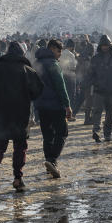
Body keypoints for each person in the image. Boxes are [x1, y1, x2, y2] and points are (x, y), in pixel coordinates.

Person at [0, 42, 44, 194]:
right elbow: (38, 91)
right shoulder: (27, 70)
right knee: (20, 146)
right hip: (20, 114)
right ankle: (17, 178)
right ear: (22, 54)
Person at [34, 39, 73, 178]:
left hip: (41, 106)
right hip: (56, 105)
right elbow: (60, 86)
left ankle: (49, 164)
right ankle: (52, 160)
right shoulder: (53, 64)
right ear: (51, 49)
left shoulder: (36, 63)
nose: (60, 55)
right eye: (58, 51)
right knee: (62, 132)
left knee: (47, 135)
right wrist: (67, 105)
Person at [88, 34, 112, 143]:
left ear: (110, 45)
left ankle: (107, 133)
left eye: (106, 45)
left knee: (110, 113)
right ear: (100, 46)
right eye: (103, 45)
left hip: (111, 90)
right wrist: (90, 84)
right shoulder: (95, 58)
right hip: (99, 89)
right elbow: (91, 73)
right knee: (97, 111)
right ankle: (96, 131)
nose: (105, 47)